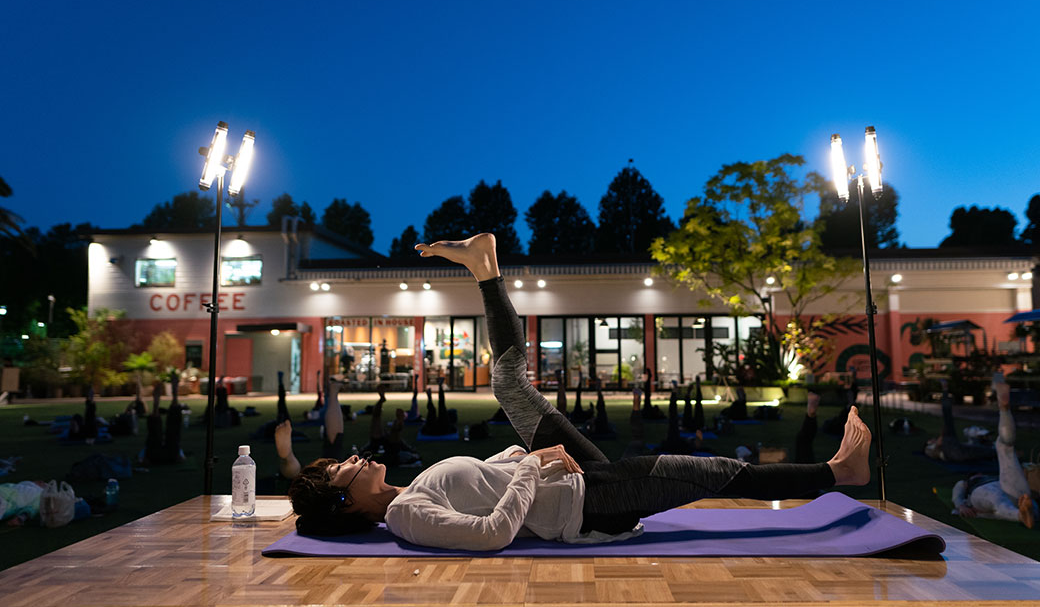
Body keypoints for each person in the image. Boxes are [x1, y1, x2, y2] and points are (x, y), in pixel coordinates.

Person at [288, 234, 872, 551]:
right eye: (344, 469)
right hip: (586, 505)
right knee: (714, 470)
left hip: (562, 477)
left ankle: (486, 268)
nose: (354, 458)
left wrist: (517, 459)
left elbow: (486, 489)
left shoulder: (410, 492)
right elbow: (493, 535)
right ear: (346, 503)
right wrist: (529, 466)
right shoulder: (410, 516)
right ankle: (837, 474)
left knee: (508, 385)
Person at [952, 373, 1038, 528]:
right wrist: (960, 505)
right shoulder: (969, 483)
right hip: (984, 491)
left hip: (1003, 487)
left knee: (1005, 447)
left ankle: (1004, 410)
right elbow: (958, 489)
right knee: (1005, 451)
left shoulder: (989, 480)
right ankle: (1004, 410)